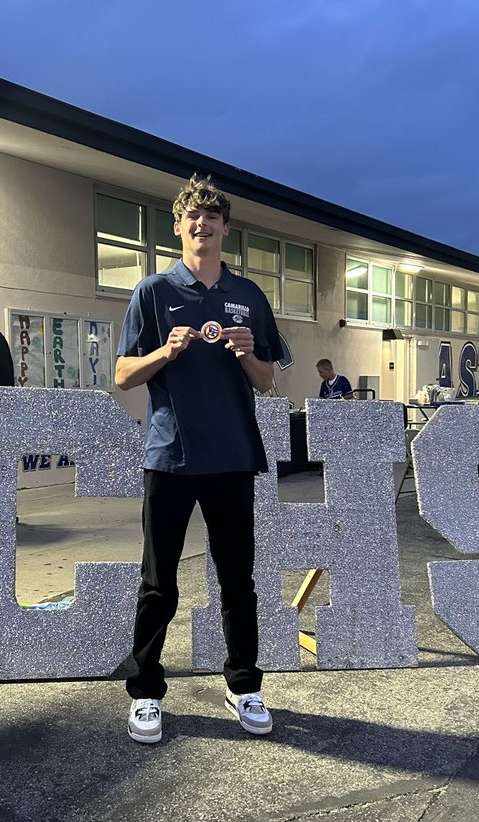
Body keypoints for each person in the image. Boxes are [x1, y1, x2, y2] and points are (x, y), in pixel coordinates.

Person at [115, 175, 282, 745]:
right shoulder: (153, 292)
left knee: (238, 580)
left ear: (225, 229)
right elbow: (121, 375)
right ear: (179, 226)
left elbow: (266, 382)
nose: (201, 224)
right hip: (170, 456)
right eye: (192, 216)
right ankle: (144, 692)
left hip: (233, 457)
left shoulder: (249, 297)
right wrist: (165, 350)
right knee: (159, 582)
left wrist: (248, 353)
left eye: (211, 217)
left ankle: (244, 683)